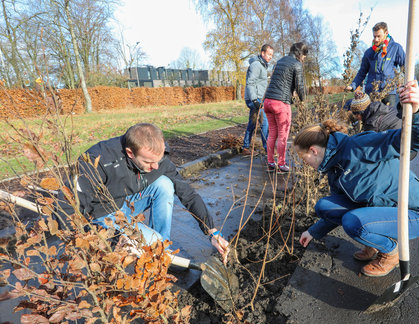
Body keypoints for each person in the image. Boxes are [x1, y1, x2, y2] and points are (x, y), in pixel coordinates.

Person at [295, 80, 419, 277]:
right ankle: (373, 241)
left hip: (412, 213)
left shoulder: (359, 146)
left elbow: (416, 140)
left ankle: (390, 252)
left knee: (353, 222)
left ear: (313, 150)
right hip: (381, 210)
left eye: (303, 158)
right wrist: (313, 232)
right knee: (325, 206)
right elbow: (340, 206)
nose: (304, 163)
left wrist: (416, 109)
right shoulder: (334, 169)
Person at [59, 123, 230, 262]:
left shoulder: (157, 159)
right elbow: (68, 206)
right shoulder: (98, 160)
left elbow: (188, 194)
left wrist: (212, 231)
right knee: (152, 243)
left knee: (164, 183)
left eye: (159, 160)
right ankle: (157, 250)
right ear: (130, 153)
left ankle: (161, 253)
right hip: (101, 213)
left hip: (124, 203)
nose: (156, 166)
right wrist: (110, 240)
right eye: (148, 162)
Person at [263, 42, 308, 173]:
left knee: (272, 134)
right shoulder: (297, 64)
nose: (304, 58)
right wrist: (303, 101)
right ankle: (281, 165)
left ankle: (271, 163)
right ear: (300, 54)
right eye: (304, 55)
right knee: (283, 135)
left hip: (268, 101)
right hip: (281, 103)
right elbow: (299, 86)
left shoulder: (279, 61)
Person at [346, 22, 405, 107]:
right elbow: (362, 72)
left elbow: (405, 67)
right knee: (371, 118)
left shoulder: (396, 48)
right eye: (374, 36)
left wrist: (412, 83)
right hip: (372, 93)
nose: (376, 39)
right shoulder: (369, 52)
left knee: (388, 118)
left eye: (379, 36)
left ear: (386, 33)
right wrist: (353, 85)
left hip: (388, 93)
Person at [242, 44, 274, 156]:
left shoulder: (263, 66)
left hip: (259, 98)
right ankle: (267, 149)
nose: (270, 57)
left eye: (272, 55)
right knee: (264, 123)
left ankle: (245, 147)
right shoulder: (256, 65)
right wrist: (255, 100)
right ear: (263, 53)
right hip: (254, 99)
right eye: (269, 54)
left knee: (253, 122)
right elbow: (250, 82)